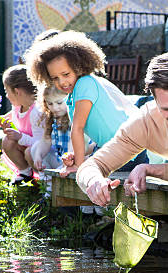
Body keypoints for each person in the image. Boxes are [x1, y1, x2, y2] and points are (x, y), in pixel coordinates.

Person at [75, 51, 168, 207]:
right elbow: (91, 166)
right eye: (167, 109)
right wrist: (94, 181)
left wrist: (149, 169)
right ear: (154, 99)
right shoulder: (144, 122)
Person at [24, 30, 146, 174]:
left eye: (66, 74)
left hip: (127, 150)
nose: (61, 82)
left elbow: (78, 128)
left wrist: (78, 165)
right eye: (55, 78)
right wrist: (77, 157)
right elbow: (98, 136)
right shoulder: (73, 94)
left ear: (79, 67)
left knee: (84, 173)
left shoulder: (85, 84)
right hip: (116, 148)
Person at [31, 85, 95, 174]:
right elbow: (46, 140)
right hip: (61, 159)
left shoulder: (74, 117)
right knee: (35, 148)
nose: (55, 108)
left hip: (77, 159)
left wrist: (70, 161)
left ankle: (56, 179)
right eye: (50, 104)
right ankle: (47, 182)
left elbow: (80, 145)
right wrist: (38, 155)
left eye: (59, 103)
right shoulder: (53, 118)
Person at [0, 64, 45, 184]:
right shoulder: (18, 106)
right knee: (7, 141)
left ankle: (44, 179)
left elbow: (41, 144)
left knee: (29, 152)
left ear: (16, 91)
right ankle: (25, 173)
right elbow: (8, 118)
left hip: (40, 152)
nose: (6, 95)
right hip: (27, 146)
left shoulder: (37, 112)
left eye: (6, 91)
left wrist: (19, 137)